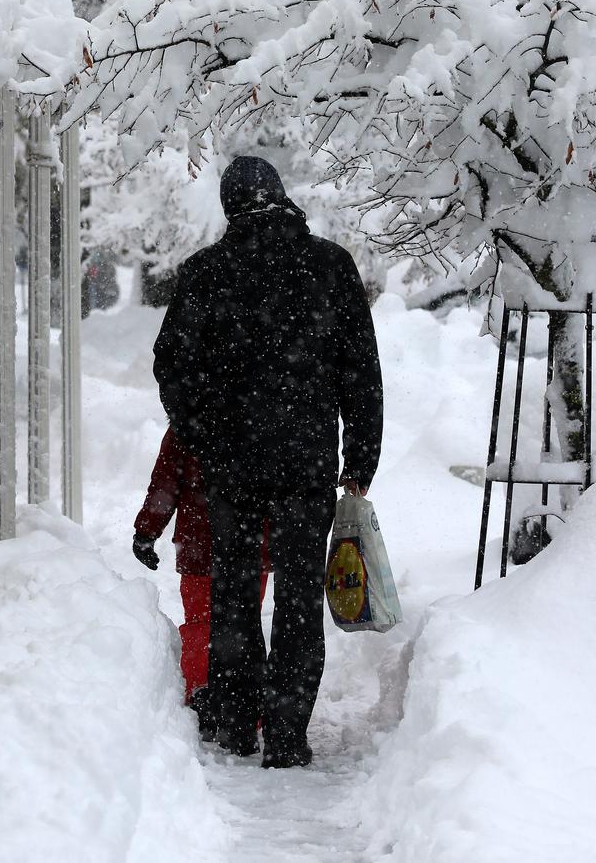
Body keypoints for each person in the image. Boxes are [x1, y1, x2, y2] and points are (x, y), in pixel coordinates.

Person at [153, 155, 382, 768]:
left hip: (233, 465)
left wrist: (205, 435)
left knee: (234, 593)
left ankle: (235, 722)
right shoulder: (329, 266)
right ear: (282, 196)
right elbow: (361, 371)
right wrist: (360, 456)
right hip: (307, 462)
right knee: (300, 598)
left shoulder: (206, 271)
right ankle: (286, 732)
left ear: (230, 207)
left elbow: (171, 366)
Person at [131, 427, 270, 740]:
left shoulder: (189, 417)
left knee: (201, 623)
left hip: (201, 543)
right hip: (250, 543)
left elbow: (166, 481)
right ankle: (242, 701)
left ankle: (202, 691)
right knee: (244, 622)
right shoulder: (264, 411)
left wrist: (147, 530)